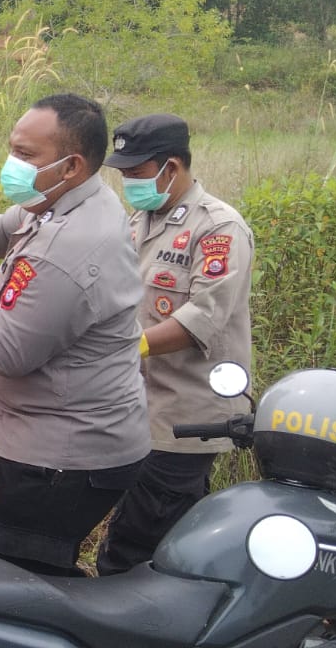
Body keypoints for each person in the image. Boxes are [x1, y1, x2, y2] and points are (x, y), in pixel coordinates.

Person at [0, 93, 149, 577]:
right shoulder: (72, 198)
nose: (11, 164)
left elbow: (7, 350)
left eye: (25, 155)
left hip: (66, 456)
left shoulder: (69, 248)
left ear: (70, 165)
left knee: (20, 581)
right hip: (59, 437)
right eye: (12, 149)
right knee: (5, 553)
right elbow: (11, 223)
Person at [96, 114, 254, 575]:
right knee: (157, 535)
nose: (127, 182)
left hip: (184, 421)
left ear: (171, 167)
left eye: (136, 173)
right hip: (133, 408)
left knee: (134, 547)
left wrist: (127, 348)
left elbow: (201, 317)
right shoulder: (139, 220)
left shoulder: (218, 228)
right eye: (122, 173)